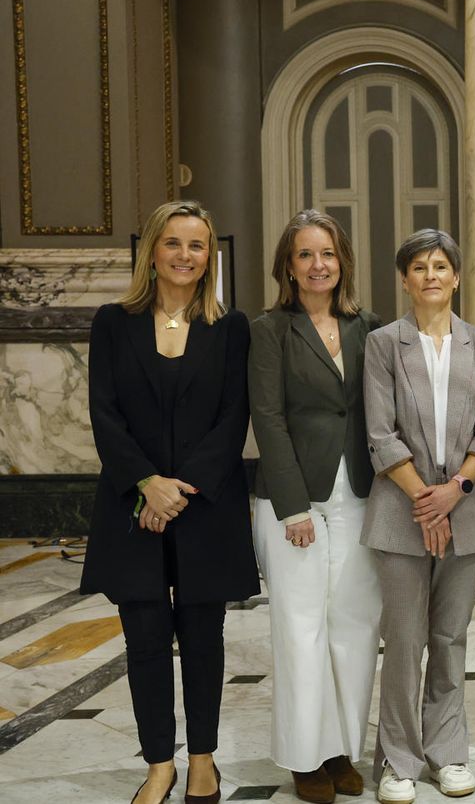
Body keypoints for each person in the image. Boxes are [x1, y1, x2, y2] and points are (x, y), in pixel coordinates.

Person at [83, 201, 255, 804]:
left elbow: (234, 419)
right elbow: (104, 414)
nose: (186, 256)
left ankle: (203, 759)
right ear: (152, 251)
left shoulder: (231, 327)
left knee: (205, 639)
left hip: (205, 506)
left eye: (198, 246)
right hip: (133, 508)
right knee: (146, 640)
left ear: (211, 257)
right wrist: (145, 484)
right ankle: (160, 763)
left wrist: (178, 490)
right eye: (174, 244)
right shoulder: (112, 322)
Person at [362, 230, 475, 803]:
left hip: (465, 510)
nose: (430, 275)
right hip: (401, 511)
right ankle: (398, 761)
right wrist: (426, 498)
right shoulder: (382, 344)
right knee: (403, 640)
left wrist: (456, 490)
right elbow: (379, 432)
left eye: (440, 266)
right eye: (418, 267)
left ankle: (447, 753)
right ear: (404, 279)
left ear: (455, 277)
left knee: (449, 637)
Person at [248, 210, 384, 804]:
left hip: (359, 493)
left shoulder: (369, 327)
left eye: (326, 253)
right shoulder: (270, 330)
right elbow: (268, 419)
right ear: (288, 266)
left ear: (342, 261)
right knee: (301, 629)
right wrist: (291, 505)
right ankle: (306, 758)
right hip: (294, 500)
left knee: (355, 627)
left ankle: (340, 751)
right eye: (305, 254)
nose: (317, 264)